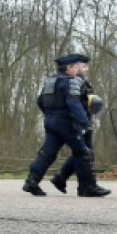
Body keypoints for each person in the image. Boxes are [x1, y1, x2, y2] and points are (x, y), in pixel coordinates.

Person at [23, 54, 108, 197]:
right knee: (83, 152)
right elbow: (73, 103)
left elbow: (40, 101)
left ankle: (32, 181)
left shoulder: (50, 81)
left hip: (50, 122)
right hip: (66, 122)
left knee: (48, 153)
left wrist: (49, 114)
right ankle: (87, 187)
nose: (77, 69)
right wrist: (85, 123)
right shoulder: (71, 82)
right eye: (75, 66)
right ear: (68, 68)